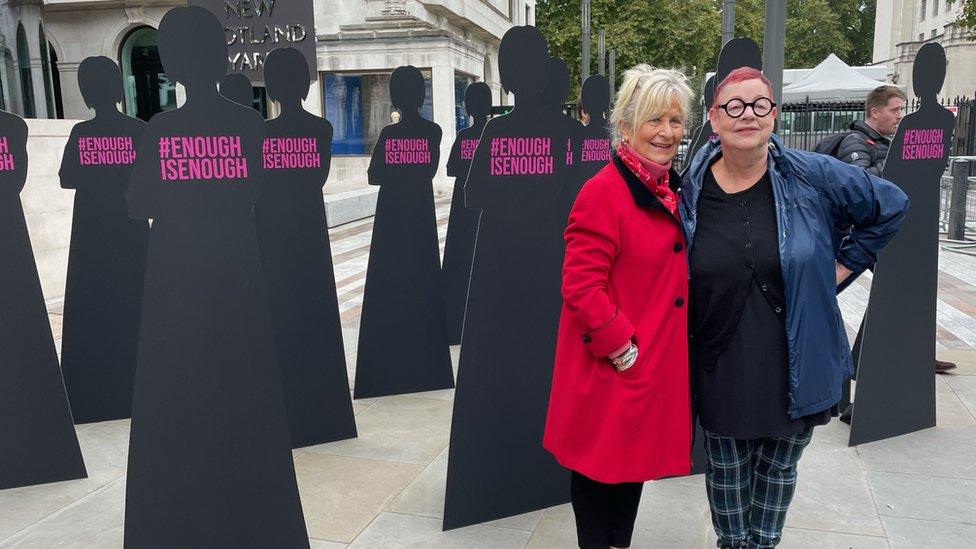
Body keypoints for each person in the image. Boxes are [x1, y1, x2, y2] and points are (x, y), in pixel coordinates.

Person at [681, 67, 908, 549]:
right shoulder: (690, 188)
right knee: (726, 467)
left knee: (779, 468)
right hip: (720, 356)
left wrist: (843, 268)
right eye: (734, 106)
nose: (748, 115)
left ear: (775, 115)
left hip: (795, 353)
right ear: (714, 119)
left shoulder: (811, 173)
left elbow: (891, 205)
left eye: (759, 104)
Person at [544, 65, 694, 549]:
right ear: (626, 126)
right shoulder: (603, 190)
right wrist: (619, 344)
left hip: (649, 362)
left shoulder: (666, 186)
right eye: (655, 120)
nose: (666, 132)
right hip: (613, 365)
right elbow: (581, 283)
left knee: (631, 467)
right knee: (597, 470)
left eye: (675, 121)